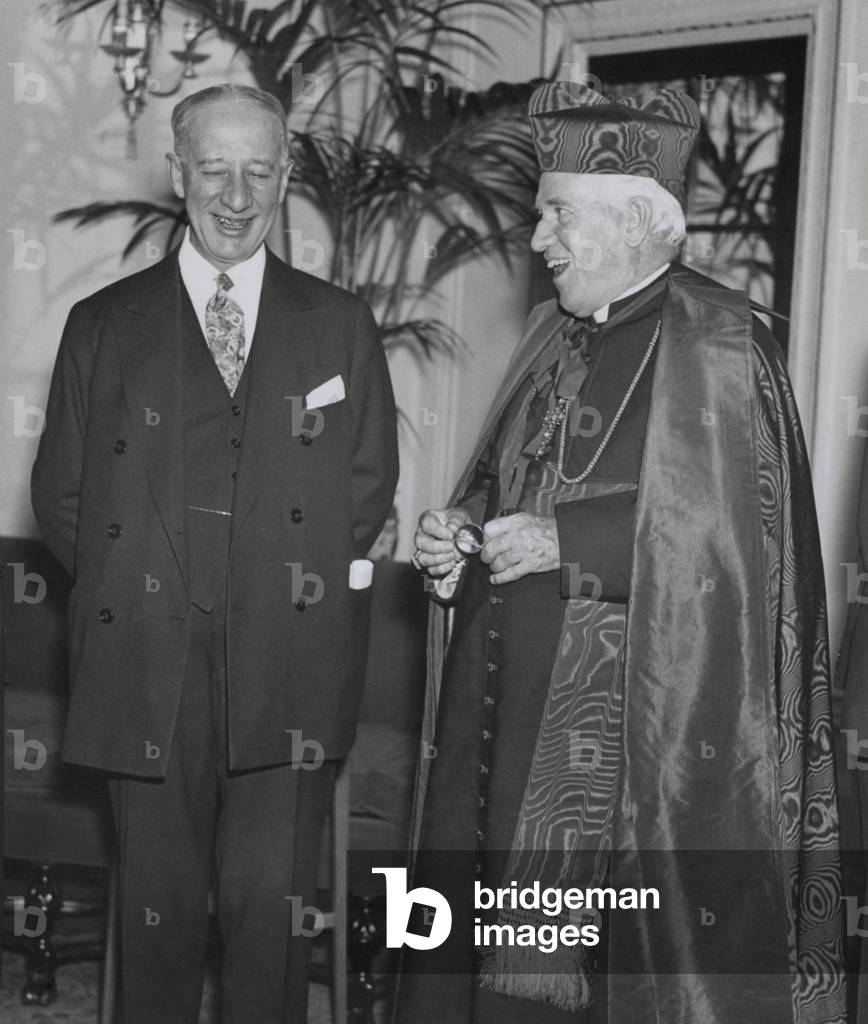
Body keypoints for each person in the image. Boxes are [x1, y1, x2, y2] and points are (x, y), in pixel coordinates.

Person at [398, 81, 844, 1024]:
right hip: (497, 714)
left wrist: (571, 542)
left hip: (627, 749)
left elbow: (738, 545)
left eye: (556, 215)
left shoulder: (725, 345)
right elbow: (507, 479)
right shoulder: (550, 333)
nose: (536, 240)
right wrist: (461, 534)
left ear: (638, 220)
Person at [31, 83, 398, 1024]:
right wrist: (151, 588)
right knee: (155, 922)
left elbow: (365, 488)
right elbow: (64, 497)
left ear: (286, 176)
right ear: (178, 173)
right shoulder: (106, 326)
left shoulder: (339, 325)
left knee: (268, 922)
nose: (237, 197)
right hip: (146, 661)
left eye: (260, 171)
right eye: (215, 170)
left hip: (293, 661)